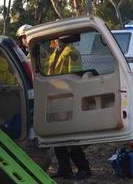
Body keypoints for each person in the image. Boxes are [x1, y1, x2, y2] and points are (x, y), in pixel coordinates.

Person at [47, 36, 91, 180]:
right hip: (55, 97)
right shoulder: (55, 53)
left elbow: (74, 77)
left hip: (67, 97)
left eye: (58, 37)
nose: (55, 39)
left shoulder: (72, 53)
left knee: (70, 138)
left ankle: (83, 168)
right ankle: (64, 169)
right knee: (58, 136)